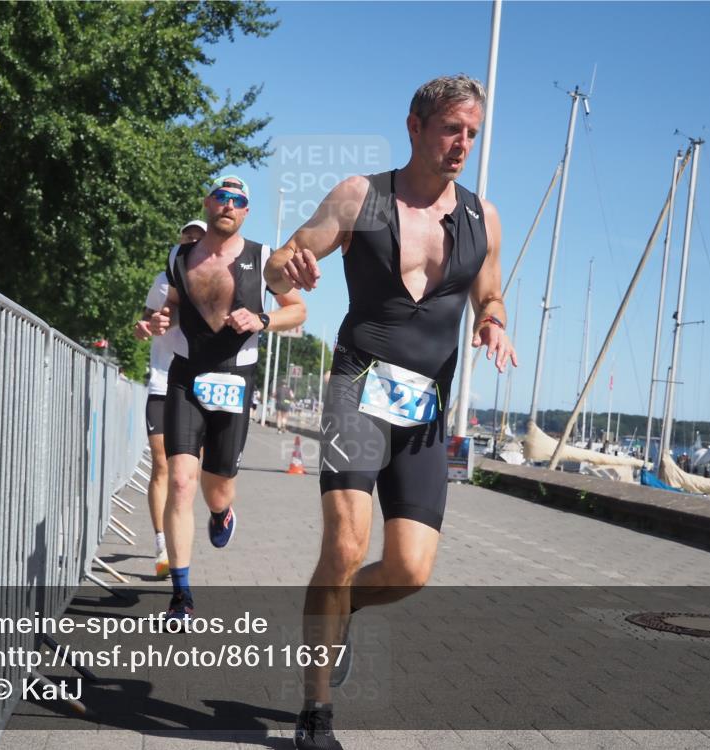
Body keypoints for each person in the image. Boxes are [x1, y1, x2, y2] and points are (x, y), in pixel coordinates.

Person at [264, 75, 518, 749]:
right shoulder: (360, 196)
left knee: (409, 570)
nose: (462, 143)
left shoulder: (482, 217)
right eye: (450, 130)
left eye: (472, 132)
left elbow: (488, 290)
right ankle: (315, 714)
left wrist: (493, 320)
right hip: (357, 388)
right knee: (344, 547)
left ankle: (337, 614)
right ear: (415, 127)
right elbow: (283, 263)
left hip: (423, 411)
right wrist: (290, 269)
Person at [149, 175, 306, 620]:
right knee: (181, 481)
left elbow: (298, 309)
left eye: (238, 200)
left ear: (246, 211)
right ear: (208, 202)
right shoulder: (179, 256)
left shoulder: (263, 259)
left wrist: (262, 318)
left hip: (234, 380)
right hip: (185, 376)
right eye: (222, 197)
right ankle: (181, 596)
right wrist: (162, 320)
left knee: (216, 490)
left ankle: (222, 514)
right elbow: (171, 305)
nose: (229, 205)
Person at [133, 219, 206, 578]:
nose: (193, 240)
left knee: (189, 475)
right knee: (163, 466)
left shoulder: (212, 280)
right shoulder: (163, 281)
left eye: (199, 237)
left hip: (201, 389)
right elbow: (143, 325)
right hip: (163, 383)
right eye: (187, 236)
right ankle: (162, 543)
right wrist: (143, 328)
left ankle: (181, 536)